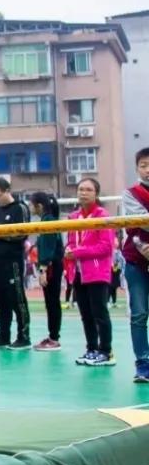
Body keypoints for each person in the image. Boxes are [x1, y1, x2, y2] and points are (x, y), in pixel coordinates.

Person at [67, 178, 116, 367]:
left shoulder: (103, 215)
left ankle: (106, 351)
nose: (83, 193)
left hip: (97, 272)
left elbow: (105, 247)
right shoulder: (73, 217)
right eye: (80, 189)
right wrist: (69, 250)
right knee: (85, 314)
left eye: (88, 189)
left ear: (96, 193)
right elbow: (71, 241)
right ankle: (91, 349)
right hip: (78, 272)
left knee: (99, 313)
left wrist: (77, 252)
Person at [0, 178, 32, 350]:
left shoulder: (20, 208)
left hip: (12, 262)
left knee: (17, 300)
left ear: (7, 191)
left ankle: (24, 336)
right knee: (1, 301)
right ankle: (3, 335)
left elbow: (21, 234)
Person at [120, 147, 149, 383]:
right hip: (137, 261)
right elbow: (142, 223)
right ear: (137, 168)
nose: (148, 170)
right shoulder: (131, 193)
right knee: (139, 314)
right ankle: (143, 364)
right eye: (144, 165)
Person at [30, 192, 64, 352]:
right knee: (50, 302)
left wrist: (43, 269)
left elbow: (49, 246)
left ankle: (54, 338)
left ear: (39, 206)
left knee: (52, 302)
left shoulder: (49, 221)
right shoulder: (46, 220)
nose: (30, 207)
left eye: (32, 204)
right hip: (49, 265)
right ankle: (52, 336)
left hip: (51, 266)